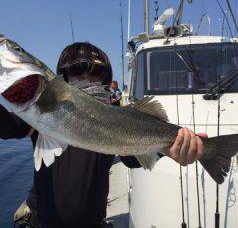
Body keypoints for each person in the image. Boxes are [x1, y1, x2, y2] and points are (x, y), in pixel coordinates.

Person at [0, 42, 204, 228]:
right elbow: (7, 126)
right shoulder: (37, 119)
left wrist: (172, 149)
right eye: (76, 70)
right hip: (39, 223)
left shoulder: (115, 118)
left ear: (106, 82)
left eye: (98, 72)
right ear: (61, 78)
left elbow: (132, 159)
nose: (86, 78)